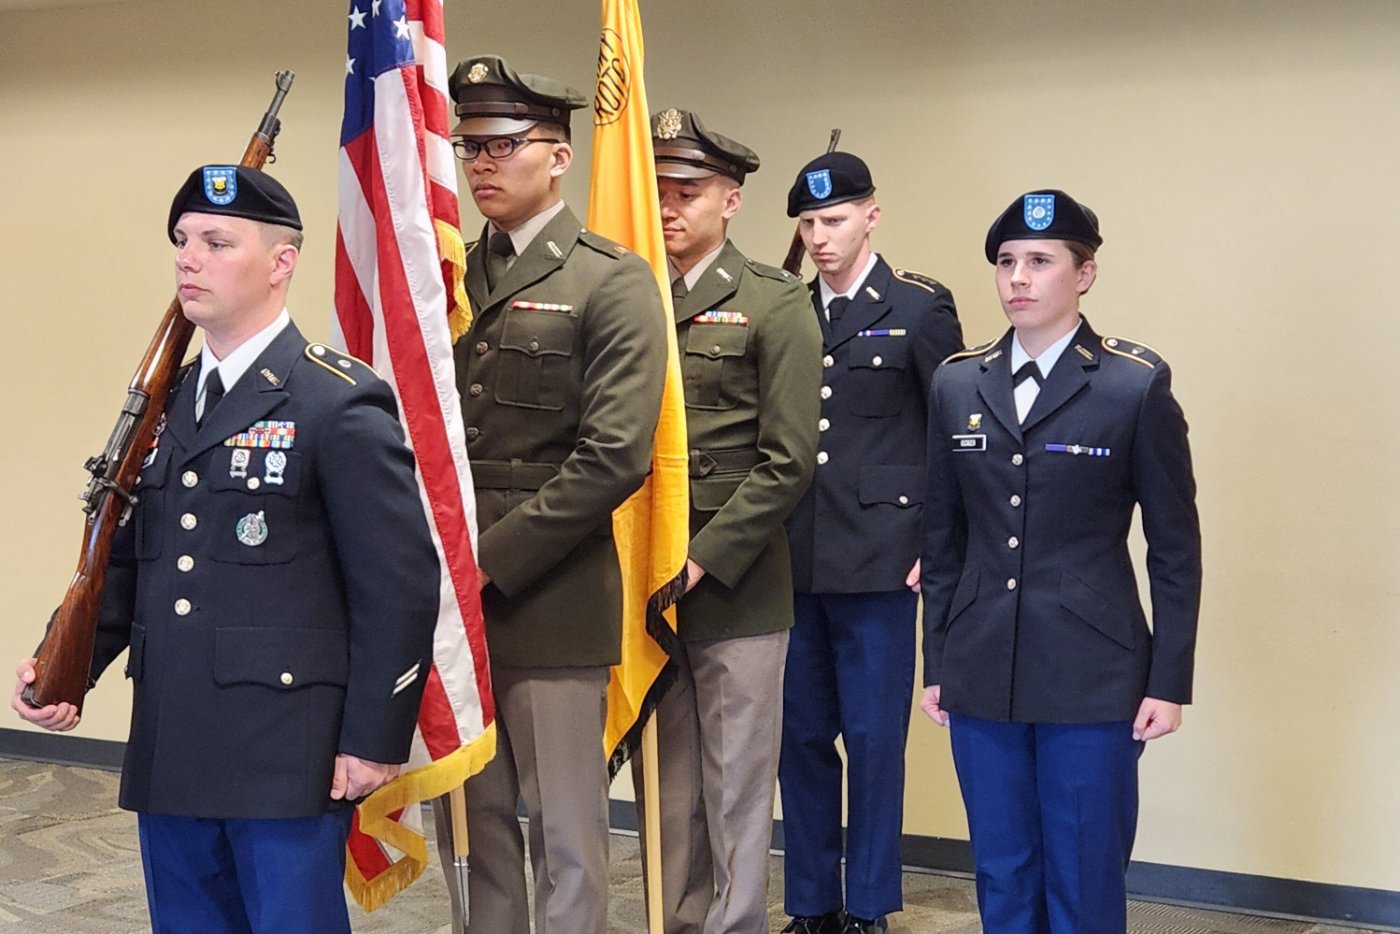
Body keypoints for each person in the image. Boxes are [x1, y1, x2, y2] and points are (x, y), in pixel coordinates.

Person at [11, 165, 440, 934]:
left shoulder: (336, 400)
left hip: (285, 748)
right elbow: (135, 553)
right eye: (181, 240)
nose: (187, 258)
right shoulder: (167, 399)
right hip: (174, 733)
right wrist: (69, 661)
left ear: (282, 262)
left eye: (215, 241)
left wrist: (373, 741)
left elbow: (398, 587)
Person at [919, 190, 1202, 934]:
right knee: (1002, 872)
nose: (1018, 278)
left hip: (1094, 675)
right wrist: (937, 662)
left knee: (1082, 874)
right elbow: (942, 538)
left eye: (1040, 262)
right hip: (982, 667)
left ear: (1086, 275)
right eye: (1007, 262)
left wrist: (1168, 681)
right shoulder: (957, 383)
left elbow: (1175, 548)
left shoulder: (1132, 385)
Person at [434, 55, 668, 934]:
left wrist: (483, 563)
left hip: (550, 591)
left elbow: (613, 458)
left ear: (559, 156)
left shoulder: (611, 279)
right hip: (450, 598)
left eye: (503, 144)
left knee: (565, 829)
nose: (481, 163)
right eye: (469, 146)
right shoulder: (444, 280)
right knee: (476, 819)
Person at [631, 108, 821, 934]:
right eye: (659, 190)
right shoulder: (628, 293)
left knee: (737, 784)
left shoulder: (774, 303)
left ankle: (736, 924)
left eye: (689, 190)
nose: (669, 206)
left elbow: (789, 461)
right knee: (666, 787)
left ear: (732, 201)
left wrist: (701, 557)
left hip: (733, 586)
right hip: (641, 581)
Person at [779, 152, 962, 934]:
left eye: (836, 219)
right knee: (801, 739)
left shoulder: (919, 308)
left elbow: (955, 434)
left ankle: (868, 906)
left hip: (885, 557)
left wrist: (937, 538)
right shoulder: (786, 306)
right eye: (810, 223)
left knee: (876, 741)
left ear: (871, 215)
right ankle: (814, 902)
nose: (821, 237)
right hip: (790, 558)